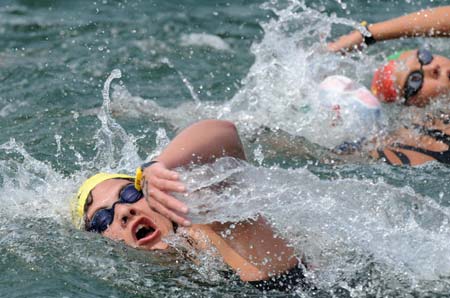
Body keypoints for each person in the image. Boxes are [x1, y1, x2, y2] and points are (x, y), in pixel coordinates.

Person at [71, 119, 308, 292]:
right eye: (102, 219)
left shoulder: (215, 229)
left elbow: (225, 134)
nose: (124, 211)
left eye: (131, 193)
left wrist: (157, 167)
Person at [325, 6, 450, 165]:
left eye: (424, 57)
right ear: (411, 104)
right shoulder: (421, 146)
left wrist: (368, 34)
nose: (432, 68)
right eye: (415, 80)